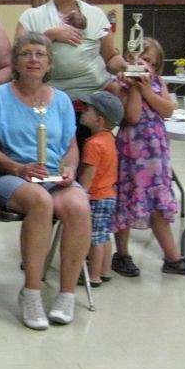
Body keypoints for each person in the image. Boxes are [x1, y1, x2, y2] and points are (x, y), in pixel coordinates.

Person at [0, 32, 91, 330]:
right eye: (27, 54)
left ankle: (66, 293)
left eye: (40, 55)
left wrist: (70, 168)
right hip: (8, 175)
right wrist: (18, 168)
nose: (34, 60)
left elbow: (70, 146)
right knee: (40, 202)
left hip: (54, 177)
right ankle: (31, 291)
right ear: (15, 62)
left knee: (79, 205)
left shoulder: (62, 100)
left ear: (49, 63)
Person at [111, 38, 185, 277]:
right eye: (139, 59)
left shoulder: (157, 83)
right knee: (127, 198)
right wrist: (134, 87)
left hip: (156, 152)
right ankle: (121, 254)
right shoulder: (119, 86)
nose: (144, 65)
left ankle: (173, 258)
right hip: (132, 152)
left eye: (150, 62)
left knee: (157, 204)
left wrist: (145, 89)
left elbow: (167, 110)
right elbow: (132, 116)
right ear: (128, 59)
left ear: (156, 68)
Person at [15, 0, 127, 147]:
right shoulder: (31, 16)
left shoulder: (96, 15)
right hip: (47, 101)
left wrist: (129, 68)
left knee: (90, 160)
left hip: (91, 105)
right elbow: (17, 54)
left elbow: (110, 57)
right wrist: (49, 35)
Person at [77, 91, 124, 286]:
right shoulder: (109, 140)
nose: (82, 111)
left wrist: (81, 193)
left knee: (93, 238)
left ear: (99, 120)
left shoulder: (93, 144)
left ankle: (93, 275)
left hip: (95, 196)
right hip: (109, 194)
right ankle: (105, 270)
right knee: (104, 235)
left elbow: (89, 173)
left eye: (87, 109)